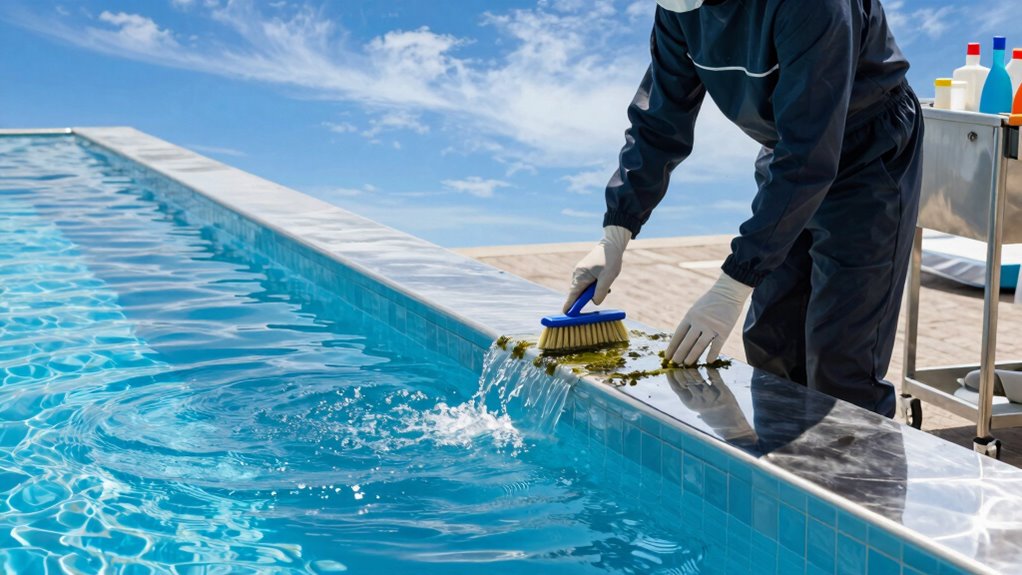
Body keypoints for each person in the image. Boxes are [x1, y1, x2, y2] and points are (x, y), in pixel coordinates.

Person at [564, 0, 923, 417]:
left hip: (867, 152)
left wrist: (733, 284)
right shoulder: (678, 8)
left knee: (841, 364)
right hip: (786, 151)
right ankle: (782, 459)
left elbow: (810, 151)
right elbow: (659, 122)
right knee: (771, 343)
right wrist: (616, 230)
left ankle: (859, 459)